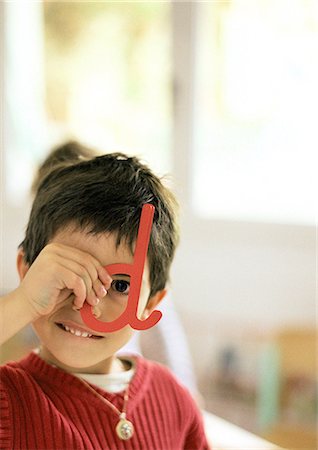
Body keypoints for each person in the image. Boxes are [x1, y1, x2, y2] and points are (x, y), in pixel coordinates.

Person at [0, 142, 210, 449]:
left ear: (151, 303)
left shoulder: (174, 399)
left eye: (120, 286)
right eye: (65, 275)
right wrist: (24, 301)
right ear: (26, 272)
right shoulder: (9, 398)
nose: (87, 303)